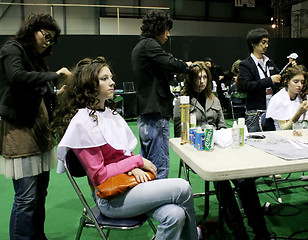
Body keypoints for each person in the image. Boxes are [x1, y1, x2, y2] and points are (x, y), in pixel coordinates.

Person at [53, 56, 215, 240]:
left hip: (128, 186)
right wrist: (136, 161)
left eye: (111, 77)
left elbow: (123, 153)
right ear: (89, 85)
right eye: (104, 79)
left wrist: (134, 167)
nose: (112, 82)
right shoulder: (83, 122)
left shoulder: (109, 114)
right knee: (183, 187)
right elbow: (99, 175)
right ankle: (196, 236)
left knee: (174, 216)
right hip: (109, 198)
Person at [174, 61, 272, 240]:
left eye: (204, 77)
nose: (201, 81)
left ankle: (260, 230)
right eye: (197, 77)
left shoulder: (214, 99)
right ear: (190, 79)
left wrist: (221, 138)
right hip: (197, 152)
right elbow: (178, 134)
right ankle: (239, 232)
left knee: (245, 180)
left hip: (219, 149)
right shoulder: (183, 102)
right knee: (222, 182)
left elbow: (222, 127)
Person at [0, 13, 71, 240]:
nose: (48, 42)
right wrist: (54, 75)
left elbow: (40, 90)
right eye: (46, 36)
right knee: (26, 198)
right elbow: (17, 77)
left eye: (52, 39)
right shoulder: (12, 49)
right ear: (33, 30)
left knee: (40, 194)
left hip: (40, 131)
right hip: (20, 131)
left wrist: (56, 92)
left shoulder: (35, 58)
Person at [131, 10, 192, 179]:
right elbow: (169, 62)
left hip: (147, 113)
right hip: (155, 114)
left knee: (149, 166)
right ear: (157, 28)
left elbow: (160, 71)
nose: (168, 34)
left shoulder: (140, 47)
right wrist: (186, 66)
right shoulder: (150, 45)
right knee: (160, 166)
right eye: (166, 29)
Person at [265, 65, 308, 226]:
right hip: (283, 142)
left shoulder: (302, 98)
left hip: (302, 139)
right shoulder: (278, 99)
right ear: (287, 82)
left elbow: (306, 126)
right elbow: (283, 130)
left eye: (302, 82)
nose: (299, 85)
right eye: (295, 81)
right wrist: (297, 114)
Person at [238, 28, 281, 132]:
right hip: (255, 111)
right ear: (253, 43)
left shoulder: (269, 62)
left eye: (267, 42)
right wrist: (269, 80)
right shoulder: (246, 64)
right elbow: (247, 85)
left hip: (272, 108)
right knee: (254, 139)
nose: (266, 45)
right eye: (263, 42)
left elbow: (279, 76)